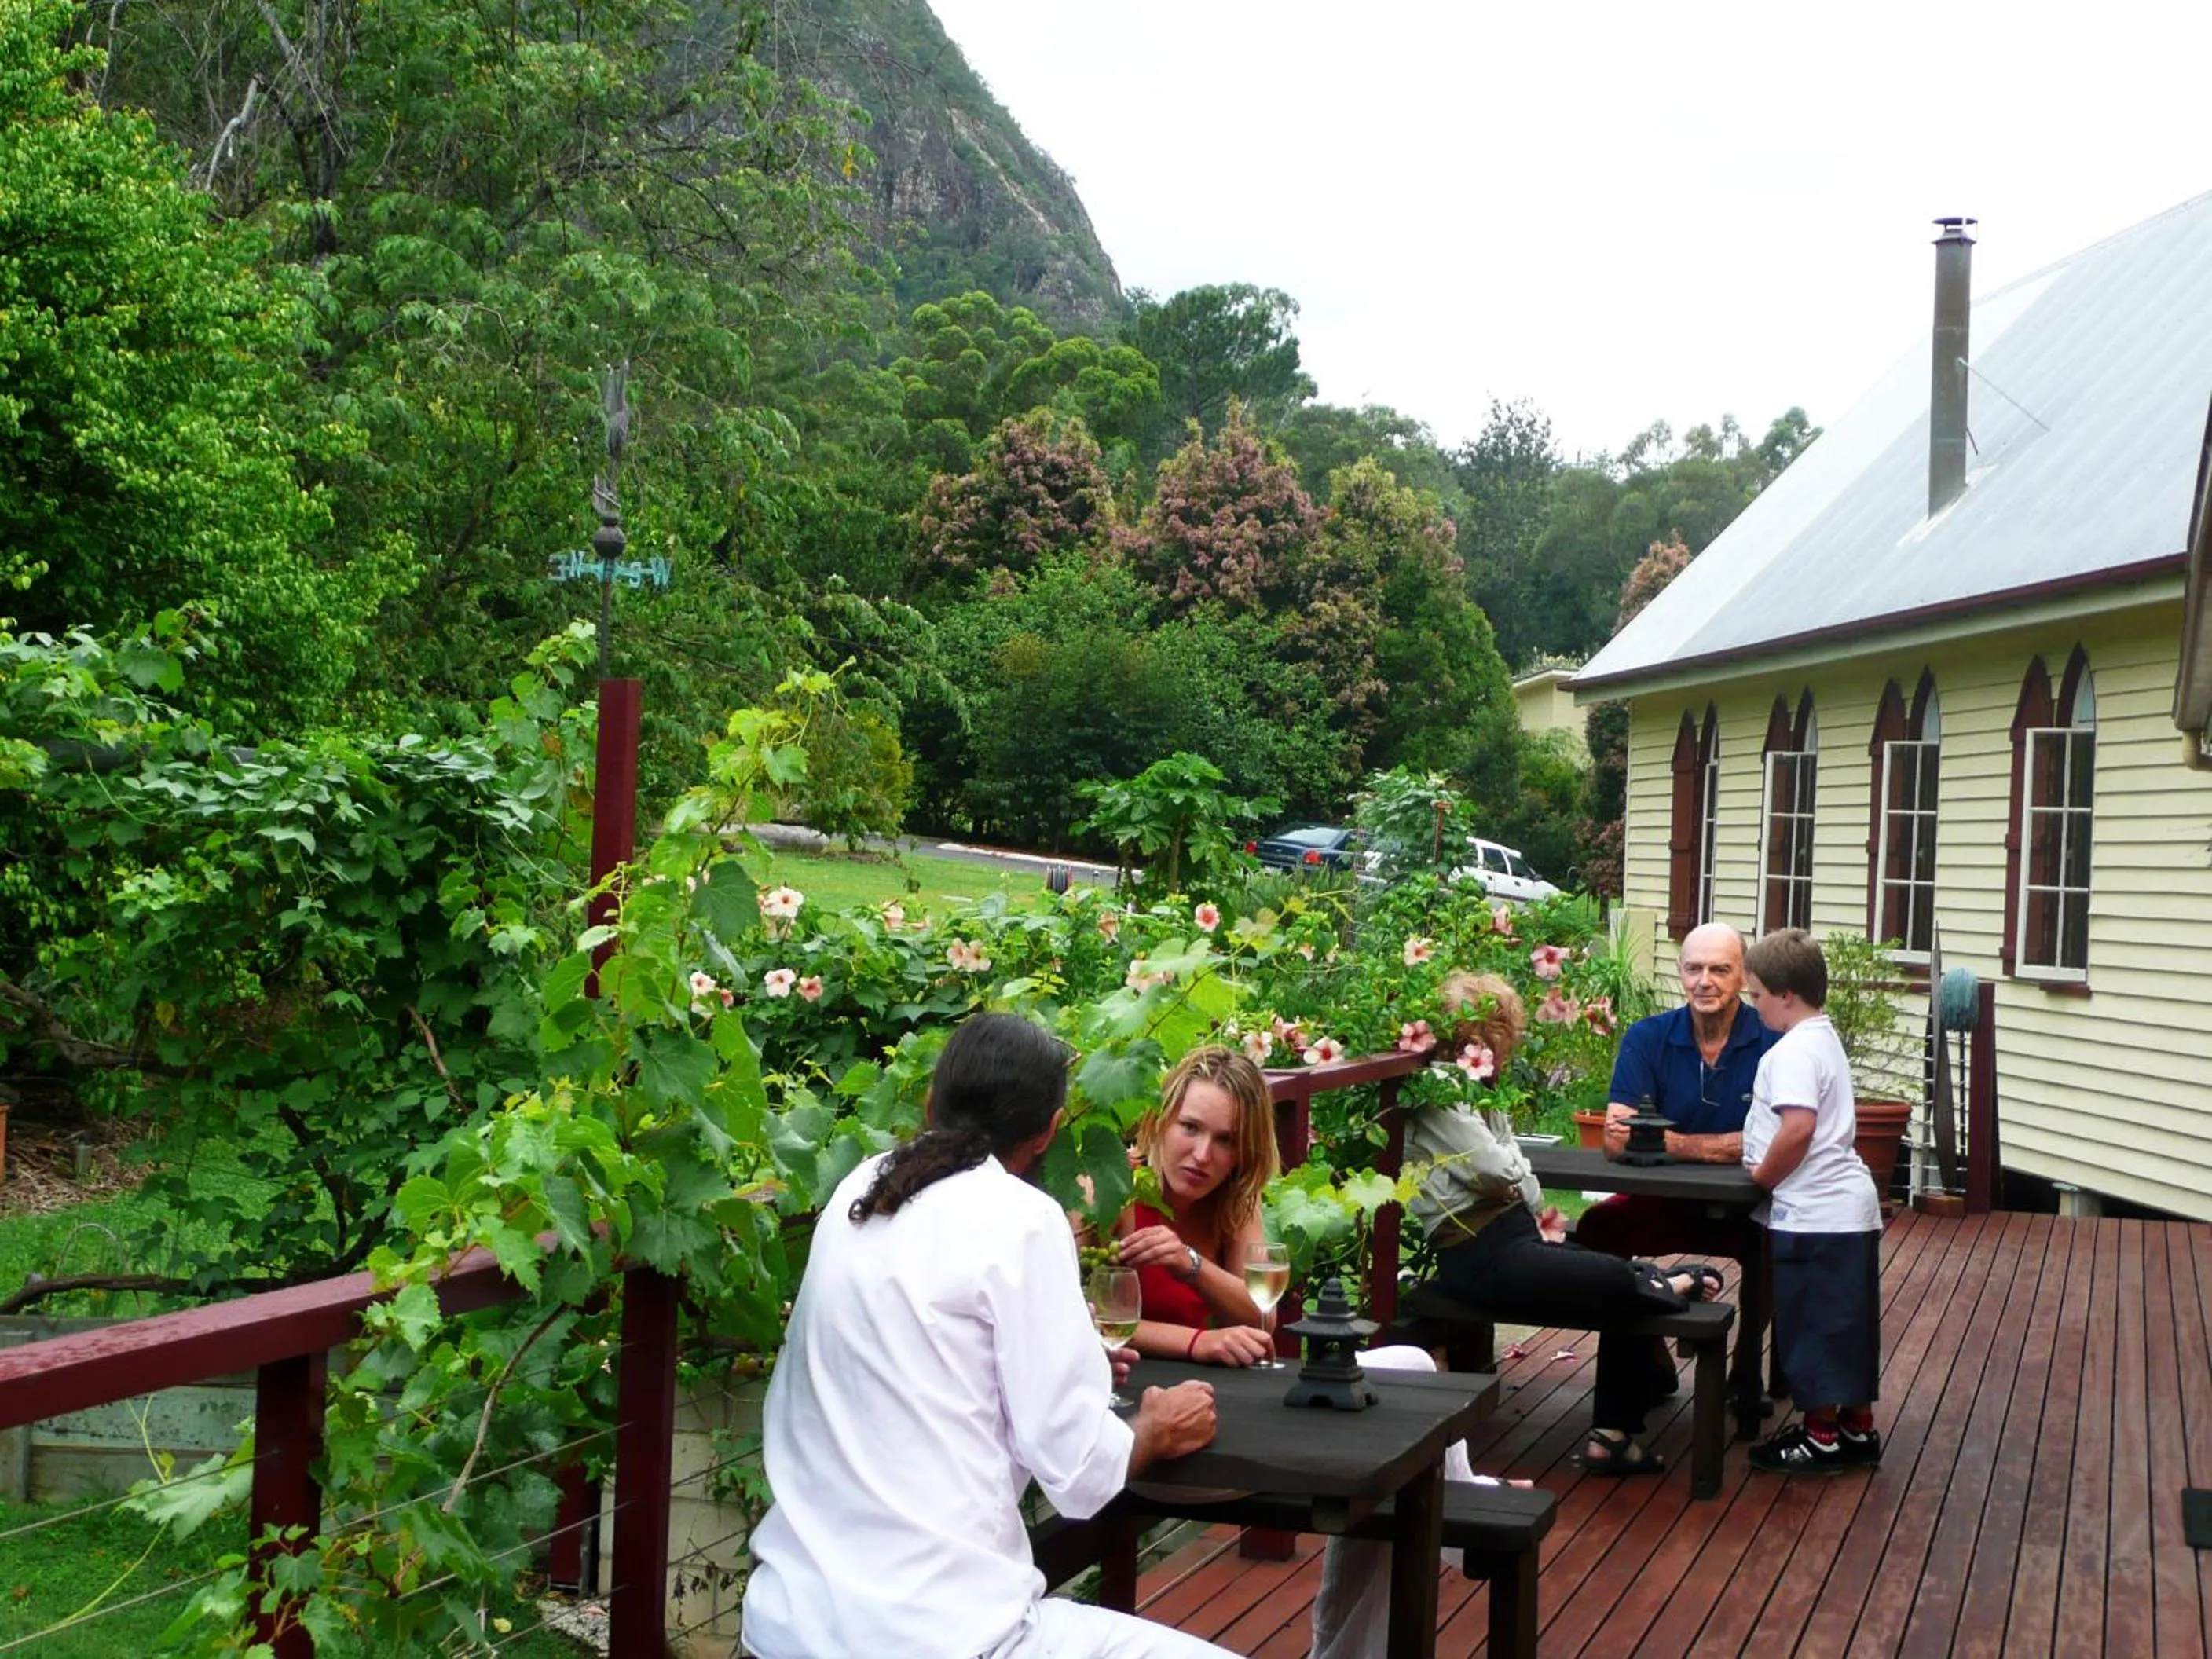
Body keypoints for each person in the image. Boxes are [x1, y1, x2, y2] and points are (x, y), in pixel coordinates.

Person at [741, 1013, 1231, 1659]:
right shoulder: (1023, 1219)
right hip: (943, 1635)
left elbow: (936, 1367)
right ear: (1049, 1132)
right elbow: (1079, 1472)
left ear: (929, 1101)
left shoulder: (860, 1188)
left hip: (788, 1624)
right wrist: (1154, 1429)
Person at [1405, 970, 1723, 1472]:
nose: (1502, 1044)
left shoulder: (1479, 1091)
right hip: (1479, 1254)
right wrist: (1515, 1176)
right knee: (1614, 1278)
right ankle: (1671, 1283)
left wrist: (1515, 1177)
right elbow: (1496, 1169)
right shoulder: (1440, 1091)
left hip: (1514, 1241)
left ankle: (1612, 1436)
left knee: (1612, 1275)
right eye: (1498, 1031)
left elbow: (1514, 1175)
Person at [1578, 921, 1782, 1400]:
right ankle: (1646, 1354)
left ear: (1743, 977)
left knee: (1778, 1245)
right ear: (1680, 972)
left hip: (1747, 1209)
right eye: (1694, 969)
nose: (1704, 981)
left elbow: (1779, 1143)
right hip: (1661, 1202)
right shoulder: (1648, 1037)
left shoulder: (1773, 1040)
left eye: (1719, 969)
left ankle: (1746, 1368)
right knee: (1596, 1229)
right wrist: (1732, 1143)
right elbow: (1614, 1140)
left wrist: (1663, 1143)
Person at [1739, 928, 1884, 1473]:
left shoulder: (1793, 1051)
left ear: (1784, 996)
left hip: (1816, 1212)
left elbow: (1798, 1127)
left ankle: (1820, 1436)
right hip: (1848, 1211)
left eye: (1755, 995)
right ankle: (1855, 1425)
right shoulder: (1823, 1036)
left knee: (1811, 1323)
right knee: (1847, 1321)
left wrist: (1763, 1175)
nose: (1753, 1008)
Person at [1109, 1046, 1279, 1366]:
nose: (1202, 1155)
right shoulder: (1114, 1188)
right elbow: (1073, 1316)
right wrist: (1197, 1342)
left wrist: (1190, 1264)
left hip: (1198, 1391)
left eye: (1226, 1140)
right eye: (1190, 1127)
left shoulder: (1235, 1198)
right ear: (1159, 1120)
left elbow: (1262, 1317)